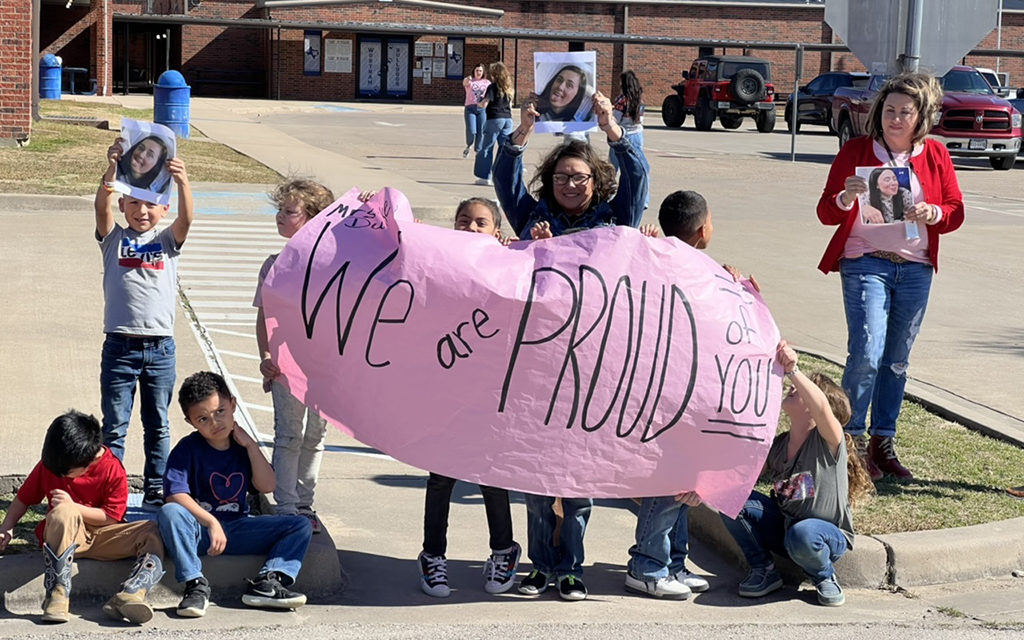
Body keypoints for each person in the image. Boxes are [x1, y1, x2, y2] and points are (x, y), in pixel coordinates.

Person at [816, 72, 964, 481]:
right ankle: (851, 443)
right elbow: (826, 211)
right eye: (890, 111)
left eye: (906, 112)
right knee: (866, 354)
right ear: (879, 111)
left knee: (896, 362)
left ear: (920, 118)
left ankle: (883, 442)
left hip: (915, 268)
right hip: (866, 261)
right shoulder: (857, 151)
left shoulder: (934, 154)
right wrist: (846, 197)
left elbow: (954, 209)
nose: (895, 119)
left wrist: (936, 213)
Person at [623, 190, 734, 600]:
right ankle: (646, 565)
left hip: (664, 386)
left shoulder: (658, 259)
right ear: (704, 228)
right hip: (672, 392)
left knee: (683, 481)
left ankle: (673, 561)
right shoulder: (695, 270)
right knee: (669, 482)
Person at [417, 197, 522, 598]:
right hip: (446, 389)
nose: (471, 229)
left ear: (496, 231)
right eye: (464, 221)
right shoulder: (439, 266)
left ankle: (503, 549)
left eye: (481, 223)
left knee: (489, 474)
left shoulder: (509, 266)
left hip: (491, 392)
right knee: (441, 475)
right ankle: (433, 556)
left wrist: (523, 253)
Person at [720, 341, 874, 607]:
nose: (792, 387)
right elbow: (742, 476)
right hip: (786, 530)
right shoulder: (779, 445)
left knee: (803, 534)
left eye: (802, 388)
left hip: (825, 536)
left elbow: (823, 409)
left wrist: (793, 370)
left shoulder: (828, 440)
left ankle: (824, 576)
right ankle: (763, 571)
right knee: (730, 500)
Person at [157, 371, 313, 617]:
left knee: (300, 525)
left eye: (220, 411)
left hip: (238, 528)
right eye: (203, 419)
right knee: (170, 512)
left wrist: (251, 446)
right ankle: (195, 585)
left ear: (233, 404)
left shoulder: (242, 447)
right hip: (200, 531)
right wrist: (210, 522)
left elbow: (267, 485)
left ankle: (268, 582)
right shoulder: (187, 449)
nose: (215, 422)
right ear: (191, 422)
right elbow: (174, 494)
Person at [95, 136, 195, 509]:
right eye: (133, 203)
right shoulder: (113, 238)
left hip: (160, 347)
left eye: (151, 205)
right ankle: (112, 490)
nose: (142, 211)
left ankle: (157, 486)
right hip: (119, 345)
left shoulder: (168, 240)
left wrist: (183, 182)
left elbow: (187, 219)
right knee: (115, 426)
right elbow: (100, 207)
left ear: (162, 207)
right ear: (123, 204)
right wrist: (112, 167)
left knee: (158, 425)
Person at [0, 411, 165, 624]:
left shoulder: (112, 468)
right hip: (64, 539)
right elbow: (23, 499)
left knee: (151, 530)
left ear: (88, 461)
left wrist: (75, 507)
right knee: (62, 512)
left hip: (103, 536)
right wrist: (7, 527)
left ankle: (131, 594)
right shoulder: (54, 464)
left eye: (66, 472)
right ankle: (57, 594)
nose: (59, 475)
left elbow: (111, 517)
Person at [254, 179, 336, 534]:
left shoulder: (334, 263)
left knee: (316, 435)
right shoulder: (275, 264)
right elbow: (263, 315)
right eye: (280, 209)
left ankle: (305, 503)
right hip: (287, 365)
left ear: (313, 218)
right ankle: (286, 505)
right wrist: (265, 355)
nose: (280, 216)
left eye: (289, 211)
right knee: (288, 434)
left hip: (325, 366)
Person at [494, 90, 647, 241]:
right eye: (561, 177)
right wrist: (524, 128)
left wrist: (610, 126)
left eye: (580, 177)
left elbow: (637, 175)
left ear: (595, 181)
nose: (570, 185)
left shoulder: (618, 217)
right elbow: (505, 180)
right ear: (550, 180)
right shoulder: (531, 215)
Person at [610, 70, 650, 209]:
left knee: (613, 167)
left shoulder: (622, 100)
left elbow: (615, 119)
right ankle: (643, 198)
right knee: (639, 166)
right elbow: (641, 119)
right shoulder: (640, 100)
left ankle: (608, 195)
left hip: (623, 135)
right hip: (637, 135)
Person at [473, 61, 515, 187]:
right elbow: (510, 105)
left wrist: (479, 103)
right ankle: (507, 175)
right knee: (505, 148)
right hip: (508, 119)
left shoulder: (492, 87)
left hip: (495, 119)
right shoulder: (509, 88)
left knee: (487, 147)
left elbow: (485, 103)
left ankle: (484, 177)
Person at [462, 64, 491, 158]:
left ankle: (478, 150)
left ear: (483, 72)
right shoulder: (470, 81)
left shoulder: (487, 82)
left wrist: (486, 102)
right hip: (470, 108)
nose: (478, 72)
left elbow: (490, 94)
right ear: (474, 71)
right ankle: (469, 145)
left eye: (480, 71)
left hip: (482, 109)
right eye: (477, 70)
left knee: (481, 130)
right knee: (471, 130)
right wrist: (468, 79)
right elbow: (465, 83)